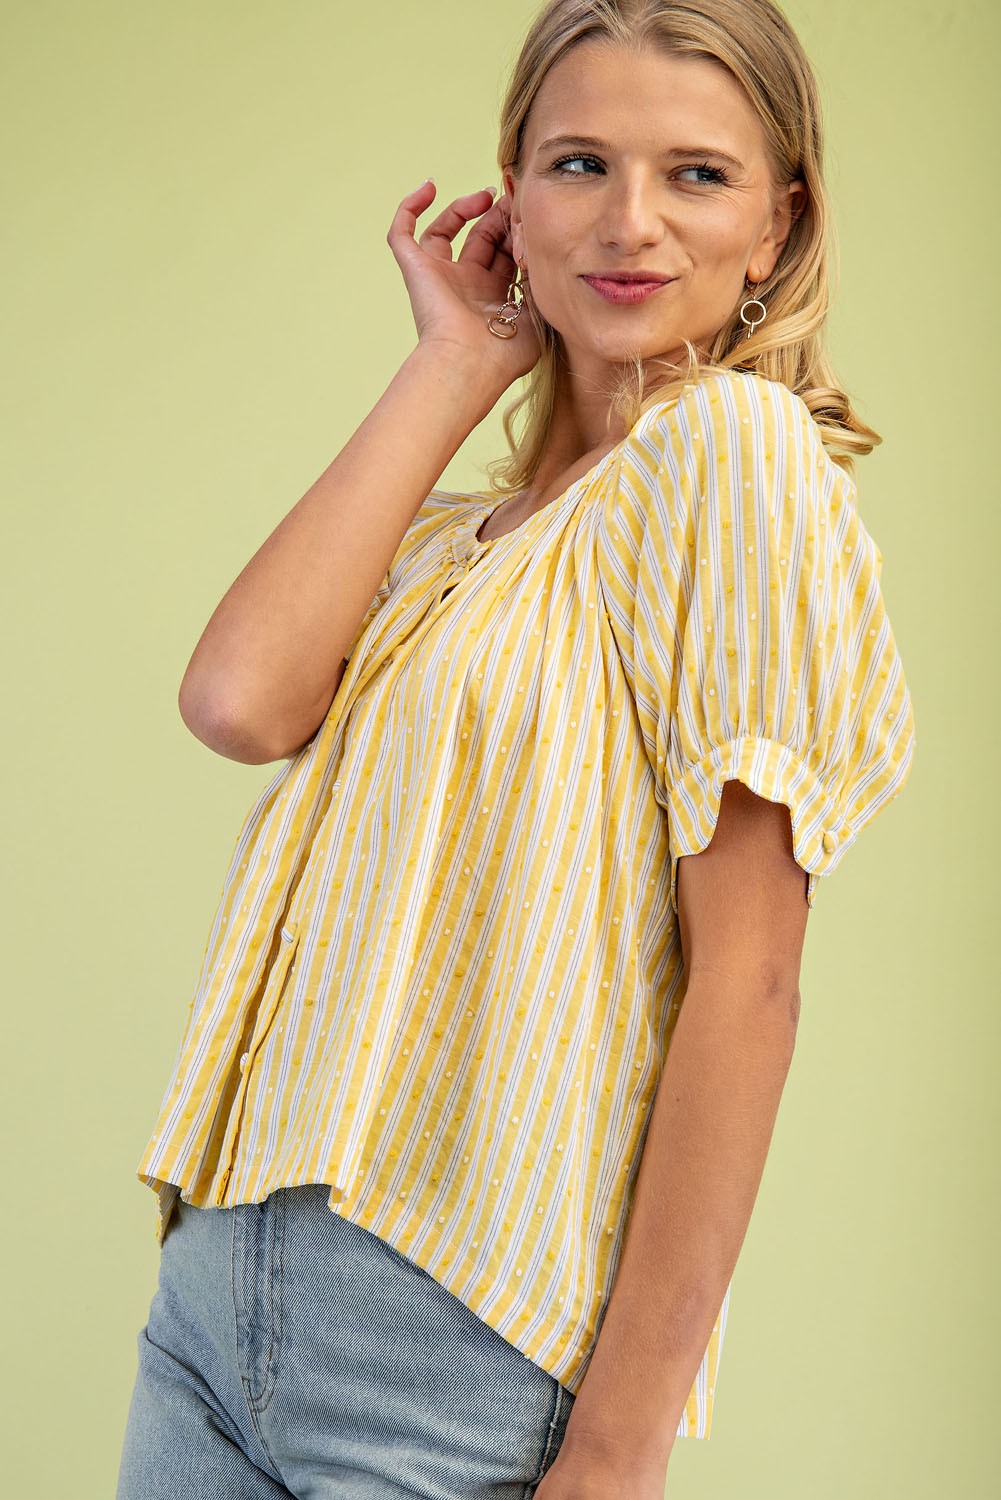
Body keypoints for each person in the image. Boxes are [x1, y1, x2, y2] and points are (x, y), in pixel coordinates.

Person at [116, 1, 915, 1496]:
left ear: (777, 224)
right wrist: (454, 360)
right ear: (513, 200)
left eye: (696, 175)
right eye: (578, 164)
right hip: (213, 1309)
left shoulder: (731, 460)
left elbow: (748, 984)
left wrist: (615, 1452)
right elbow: (237, 702)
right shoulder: (453, 543)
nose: (628, 222)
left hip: (454, 1339)